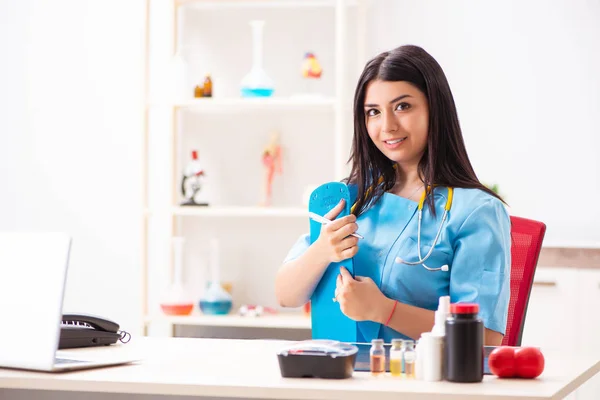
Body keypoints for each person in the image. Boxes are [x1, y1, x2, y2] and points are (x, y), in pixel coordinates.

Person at [275, 45, 511, 346]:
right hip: (340, 379)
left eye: (403, 107)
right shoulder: (351, 197)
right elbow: (285, 294)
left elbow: (486, 339)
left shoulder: (476, 212)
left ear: (434, 109)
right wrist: (322, 250)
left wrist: (384, 310)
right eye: (373, 112)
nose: (387, 126)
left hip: (419, 383)